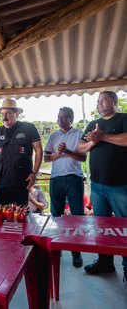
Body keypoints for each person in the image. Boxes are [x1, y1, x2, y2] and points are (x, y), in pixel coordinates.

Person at [78, 91, 127, 282]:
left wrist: (103, 136)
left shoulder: (123, 119)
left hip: (121, 186)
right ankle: (105, 261)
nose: (99, 104)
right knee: (102, 227)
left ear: (114, 102)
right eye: (97, 101)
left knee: (124, 228)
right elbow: (80, 148)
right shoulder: (92, 125)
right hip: (97, 187)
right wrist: (92, 141)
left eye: (103, 100)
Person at [44, 107, 86, 267]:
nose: (60, 119)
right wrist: (57, 154)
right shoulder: (53, 136)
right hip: (56, 179)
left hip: (74, 178)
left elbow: (83, 157)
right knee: (56, 216)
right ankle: (57, 247)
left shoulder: (79, 134)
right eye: (59, 116)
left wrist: (67, 150)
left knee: (77, 217)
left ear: (71, 119)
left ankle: (76, 252)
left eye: (64, 117)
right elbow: (47, 158)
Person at [0, 99, 43, 205]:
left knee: (20, 215)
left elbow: (39, 151)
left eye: (8, 113)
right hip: (1, 180)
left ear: (16, 114)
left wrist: (34, 174)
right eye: (2, 113)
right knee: (2, 214)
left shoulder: (29, 128)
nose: (4, 117)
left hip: (22, 180)